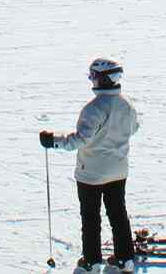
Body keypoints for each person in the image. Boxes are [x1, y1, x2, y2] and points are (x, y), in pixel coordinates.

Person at [40, 58, 140, 274]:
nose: (91, 80)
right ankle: (125, 259)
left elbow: (79, 140)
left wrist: (53, 140)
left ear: (102, 79)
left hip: (91, 174)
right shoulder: (127, 105)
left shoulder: (94, 108)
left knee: (91, 216)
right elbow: (134, 129)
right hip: (118, 170)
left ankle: (92, 262)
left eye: (93, 76)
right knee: (118, 214)